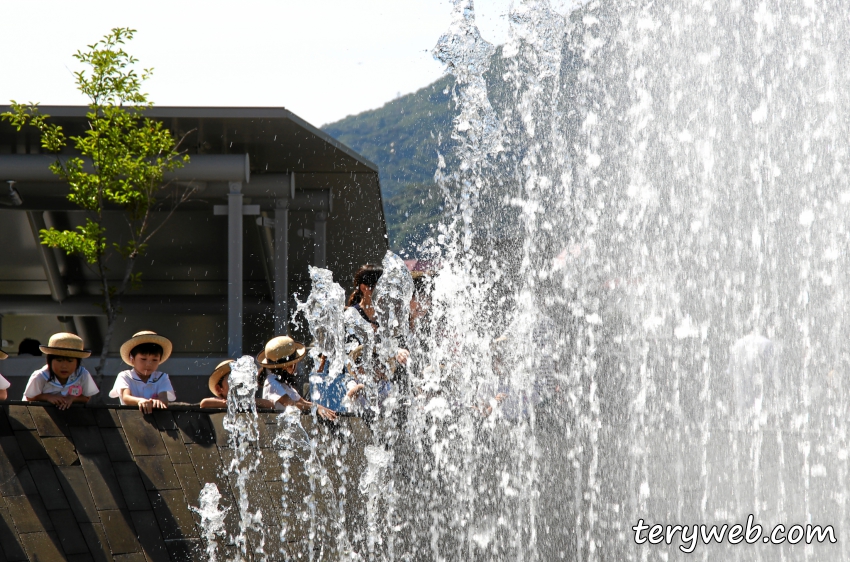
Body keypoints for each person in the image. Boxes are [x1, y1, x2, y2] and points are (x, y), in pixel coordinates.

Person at [258, 335, 337, 421]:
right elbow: (291, 403)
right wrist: (316, 408)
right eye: (295, 361)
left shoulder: (282, 382)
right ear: (287, 365)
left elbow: (302, 402)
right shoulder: (271, 382)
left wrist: (320, 407)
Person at [22, 333, 98, 409]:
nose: (64, 366)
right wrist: (48, 397)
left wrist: (72, 398)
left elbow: (86, 397)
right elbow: (30, 397)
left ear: (77, 362)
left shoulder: (83, 374)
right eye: (59, 360)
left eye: (70, 361)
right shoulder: (40, 376)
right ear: (49, 361)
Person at [110, 331, 176, 413]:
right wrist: (140, 401)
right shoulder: (125, 376)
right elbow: (126, 397)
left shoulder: (162, 377)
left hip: (157, 419)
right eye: (143, 359)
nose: (149, 364)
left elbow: (164, 399)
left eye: (154, 360)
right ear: (132, 359)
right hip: (129, 418)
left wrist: (159, 402)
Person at [200, 359, 274, 409]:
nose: (238, 382)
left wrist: (249, 401)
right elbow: (204, 403)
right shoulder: (220, 401)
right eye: (232, 379)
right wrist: (232, 403)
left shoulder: (248, 401)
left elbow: (271, 404)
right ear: (219, 389)